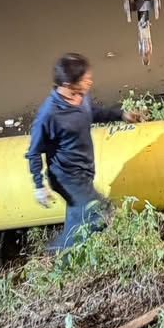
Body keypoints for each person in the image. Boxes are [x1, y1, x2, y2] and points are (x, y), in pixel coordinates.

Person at [26, 53, 145, 251]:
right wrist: (39, 186)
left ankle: (72, 249)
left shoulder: (81, 97)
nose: (90, 81)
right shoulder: (50, 115)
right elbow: (34, 152)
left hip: (85, 170)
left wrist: (121, 114)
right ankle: (62, 253)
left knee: (78, 214)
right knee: (99, 211)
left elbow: (93, 113)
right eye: (85, 78)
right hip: (67, 177)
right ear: (68, 84)